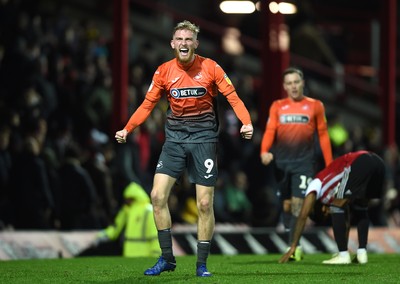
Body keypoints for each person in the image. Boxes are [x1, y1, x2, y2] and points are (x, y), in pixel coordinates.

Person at [115, 20, 253, 277]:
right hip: (175, 141)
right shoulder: (163, 71)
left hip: (204, 141)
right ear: (172, 44)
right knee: (157, 197)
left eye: (189, 39)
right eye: (179, 39)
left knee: (203, 203)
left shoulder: (211, 67)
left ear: (196, 44)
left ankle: (201, 265)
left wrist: (246, 122)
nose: (184, 44)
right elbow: (147, 105)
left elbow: (232, 97)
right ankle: (167, 258)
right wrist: (127, 128)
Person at [260, 67, 333, 261]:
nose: (293, 86)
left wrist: (330, 164)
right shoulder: (277, 106)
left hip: (304, 163)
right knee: (285, 206)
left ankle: (296, 247)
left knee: (298, 206)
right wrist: (264, 151)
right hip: (281, 163)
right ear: (284, 86)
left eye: (296, 82)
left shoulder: (315, 106)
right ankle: (292, 243)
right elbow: (270, 130)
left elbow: (323, 135)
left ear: (302, 84)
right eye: (289, 83)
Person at [279, 151, 385, 264]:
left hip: (359, 162)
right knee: (360, 207)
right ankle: (361, 253)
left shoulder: (316, 183)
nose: (328, 212)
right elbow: (346, 222)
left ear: (321, 209)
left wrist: (293, 246)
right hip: (378, 163)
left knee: (336, 207)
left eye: (325, 214)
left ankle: (343, 255)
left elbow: (303, 215)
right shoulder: (337, 191)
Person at [94, 181, 160, 257]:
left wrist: (156, 253)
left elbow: (156, 235)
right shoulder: (126, 210)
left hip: (145, 254)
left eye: (129, 199)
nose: (127, 201)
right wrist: (101, 235)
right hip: (129, 254)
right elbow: (115, 228)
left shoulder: (149, 211)